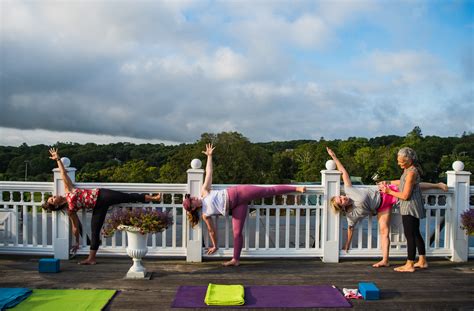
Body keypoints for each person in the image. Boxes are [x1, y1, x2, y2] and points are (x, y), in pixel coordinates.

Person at [183, 143, 306, 267]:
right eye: (191, 200)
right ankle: (235, 259)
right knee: (237, 233)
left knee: (269, 191)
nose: (193, 197)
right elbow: (211, 231)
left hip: (240, 193)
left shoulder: (204, 192)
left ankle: (296, 188)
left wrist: (209, 156)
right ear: (193, 207)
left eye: (191, 197)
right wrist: (215, 245)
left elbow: (209, 173)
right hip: (236, 207)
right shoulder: (205, 214)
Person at [326, 147, 447, 268]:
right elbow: (350, 228)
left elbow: (343, 172)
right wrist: (347, 244)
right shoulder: (351, 215)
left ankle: (437, 185)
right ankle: (385, 260)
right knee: (384, 231)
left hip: (384, 194)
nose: (343, 197)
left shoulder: (349, 190)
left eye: (341, 196)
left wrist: (334, 156)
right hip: (381, 208)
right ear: (342, 208)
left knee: (408, 185)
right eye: (341, 200)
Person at [42, 148, 161, 265]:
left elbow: (63, 173)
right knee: (95, 232)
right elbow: (75, 227)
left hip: (102, 195)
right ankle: (91, 258)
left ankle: (154, 198)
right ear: (56, 205)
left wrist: (57, 159)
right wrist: (76, 242)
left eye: (52, 197)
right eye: (53, 199)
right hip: (97, 207)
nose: (54, 196)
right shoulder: (69, 210)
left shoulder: (68, 190)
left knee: (127, 197)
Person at [379, 147, 437, 272]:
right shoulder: (408, 169)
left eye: (402, 162)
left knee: (409, 235)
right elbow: (401, 182)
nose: (399, 164)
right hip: (411, 205)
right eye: (398, 161)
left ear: (410, 160)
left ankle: (409, 264)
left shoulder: (411, 172)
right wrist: (387, 182)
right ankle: (422, 261)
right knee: (415, 233)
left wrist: (388, 191)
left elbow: (405, 195)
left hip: (410, 206)